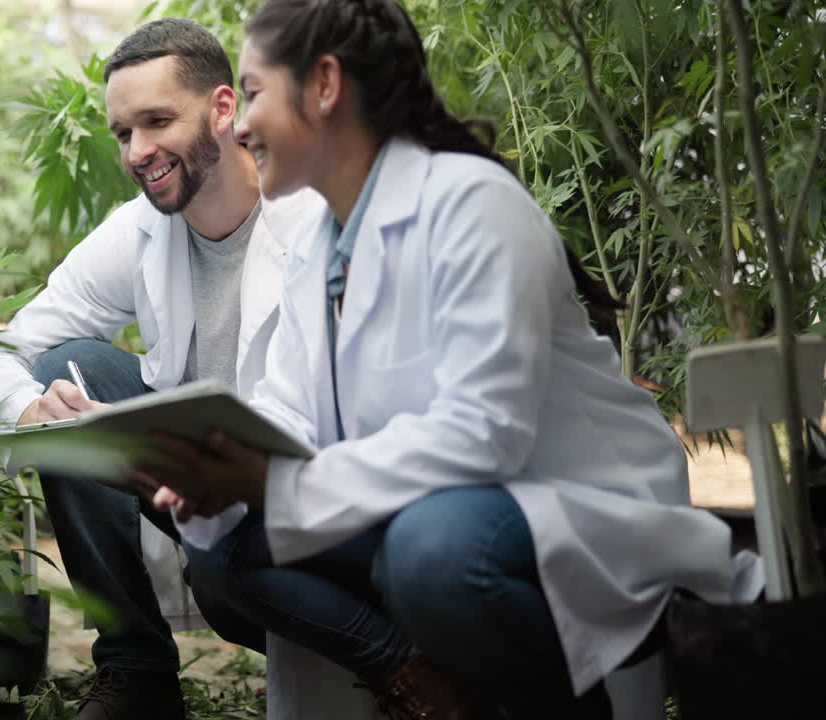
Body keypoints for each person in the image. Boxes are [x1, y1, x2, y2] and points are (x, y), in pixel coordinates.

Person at [134, 1, 763, 718]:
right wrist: (214, 467)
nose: (241, 125)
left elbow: (485, 434)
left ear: (326, 85)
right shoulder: (317, 246)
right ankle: (433, 680)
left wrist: (279, 482)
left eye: (252, 93)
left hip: (573, 508)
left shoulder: (471, 204)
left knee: (433, 553)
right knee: (237, 548)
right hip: (438, 508)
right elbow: (291, 404)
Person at [0, 17, 324, 720]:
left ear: (225, 109)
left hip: (306, 489)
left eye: (157, 121)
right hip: (192, 482)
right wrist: (28, 411)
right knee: (69, 371)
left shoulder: (315, 214)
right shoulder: (138, 230)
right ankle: (136, 669)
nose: (138, 151)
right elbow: (5, 352)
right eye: (123, 132)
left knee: (232, 584)